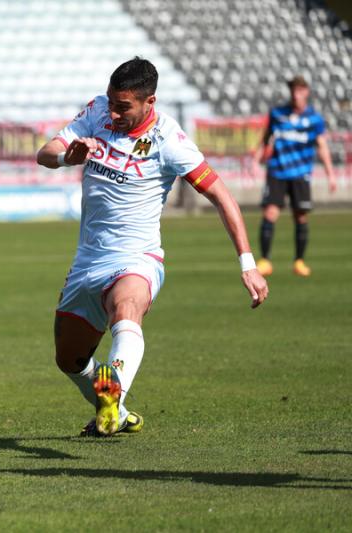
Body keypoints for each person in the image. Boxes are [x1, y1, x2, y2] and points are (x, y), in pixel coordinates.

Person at [37, 57, 268, 437]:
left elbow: (221, 196)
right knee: (70, 360)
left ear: (150, 102)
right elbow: (44, 153)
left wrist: (248, 263)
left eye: (123, 106)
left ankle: (114, 392)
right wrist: (66, 157)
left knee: (126, 308)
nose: (114, 111)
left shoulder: (169, 141)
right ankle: (117, 409)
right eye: (112, 101)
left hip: (136, 258)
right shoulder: (97, 111)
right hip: (88, 261)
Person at [254, 75, 337, 277]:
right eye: (292, 90)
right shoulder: (278, 114)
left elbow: (322, 146)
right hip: (277, 172)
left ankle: (299, 261)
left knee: (300, 216)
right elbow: (266, 138)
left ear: (306, 92)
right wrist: (256, 159)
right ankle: (265, 260)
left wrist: (330, 174)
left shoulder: (314, 119)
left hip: (301, 174)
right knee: (270, 214)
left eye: (299, 90)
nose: (295, 94)